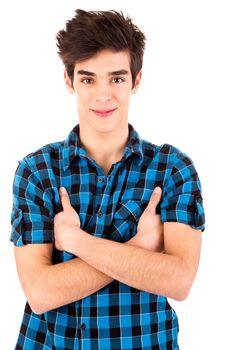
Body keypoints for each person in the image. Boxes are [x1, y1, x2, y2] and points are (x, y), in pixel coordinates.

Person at [10, 9, 205, 350]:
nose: (103, 95)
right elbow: (40, 293)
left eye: (116, 78)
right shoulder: (37, 171)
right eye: (88, 79)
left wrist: (75, 241)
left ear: (136, 80)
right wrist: (139, 249)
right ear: (69, 81)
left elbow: (179, 280)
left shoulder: (172, 169)